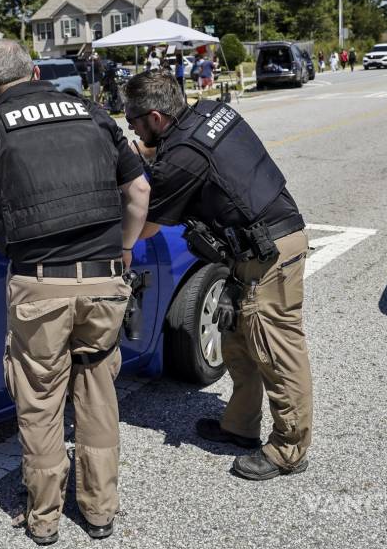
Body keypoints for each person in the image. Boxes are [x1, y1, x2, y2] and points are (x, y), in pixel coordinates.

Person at [0, 39, 150, 545]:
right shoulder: (92, 113)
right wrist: (126, 250)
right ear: (35, 72)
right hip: (104, 277)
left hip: (40, 284)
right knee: (97, 395)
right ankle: (99, 512)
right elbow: (139, 191)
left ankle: (44, 519)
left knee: (41, 401)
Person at [124, 69, 313, 482]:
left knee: (277, 352)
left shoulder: (180, 157)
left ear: (155, 118)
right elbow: (198, 160)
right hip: (253, 247)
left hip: (271, 254)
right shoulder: (210, 112)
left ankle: (289, 448)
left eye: (133, 120)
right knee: (239, 341)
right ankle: (240, 427)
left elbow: (148, 226)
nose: (132, 127)